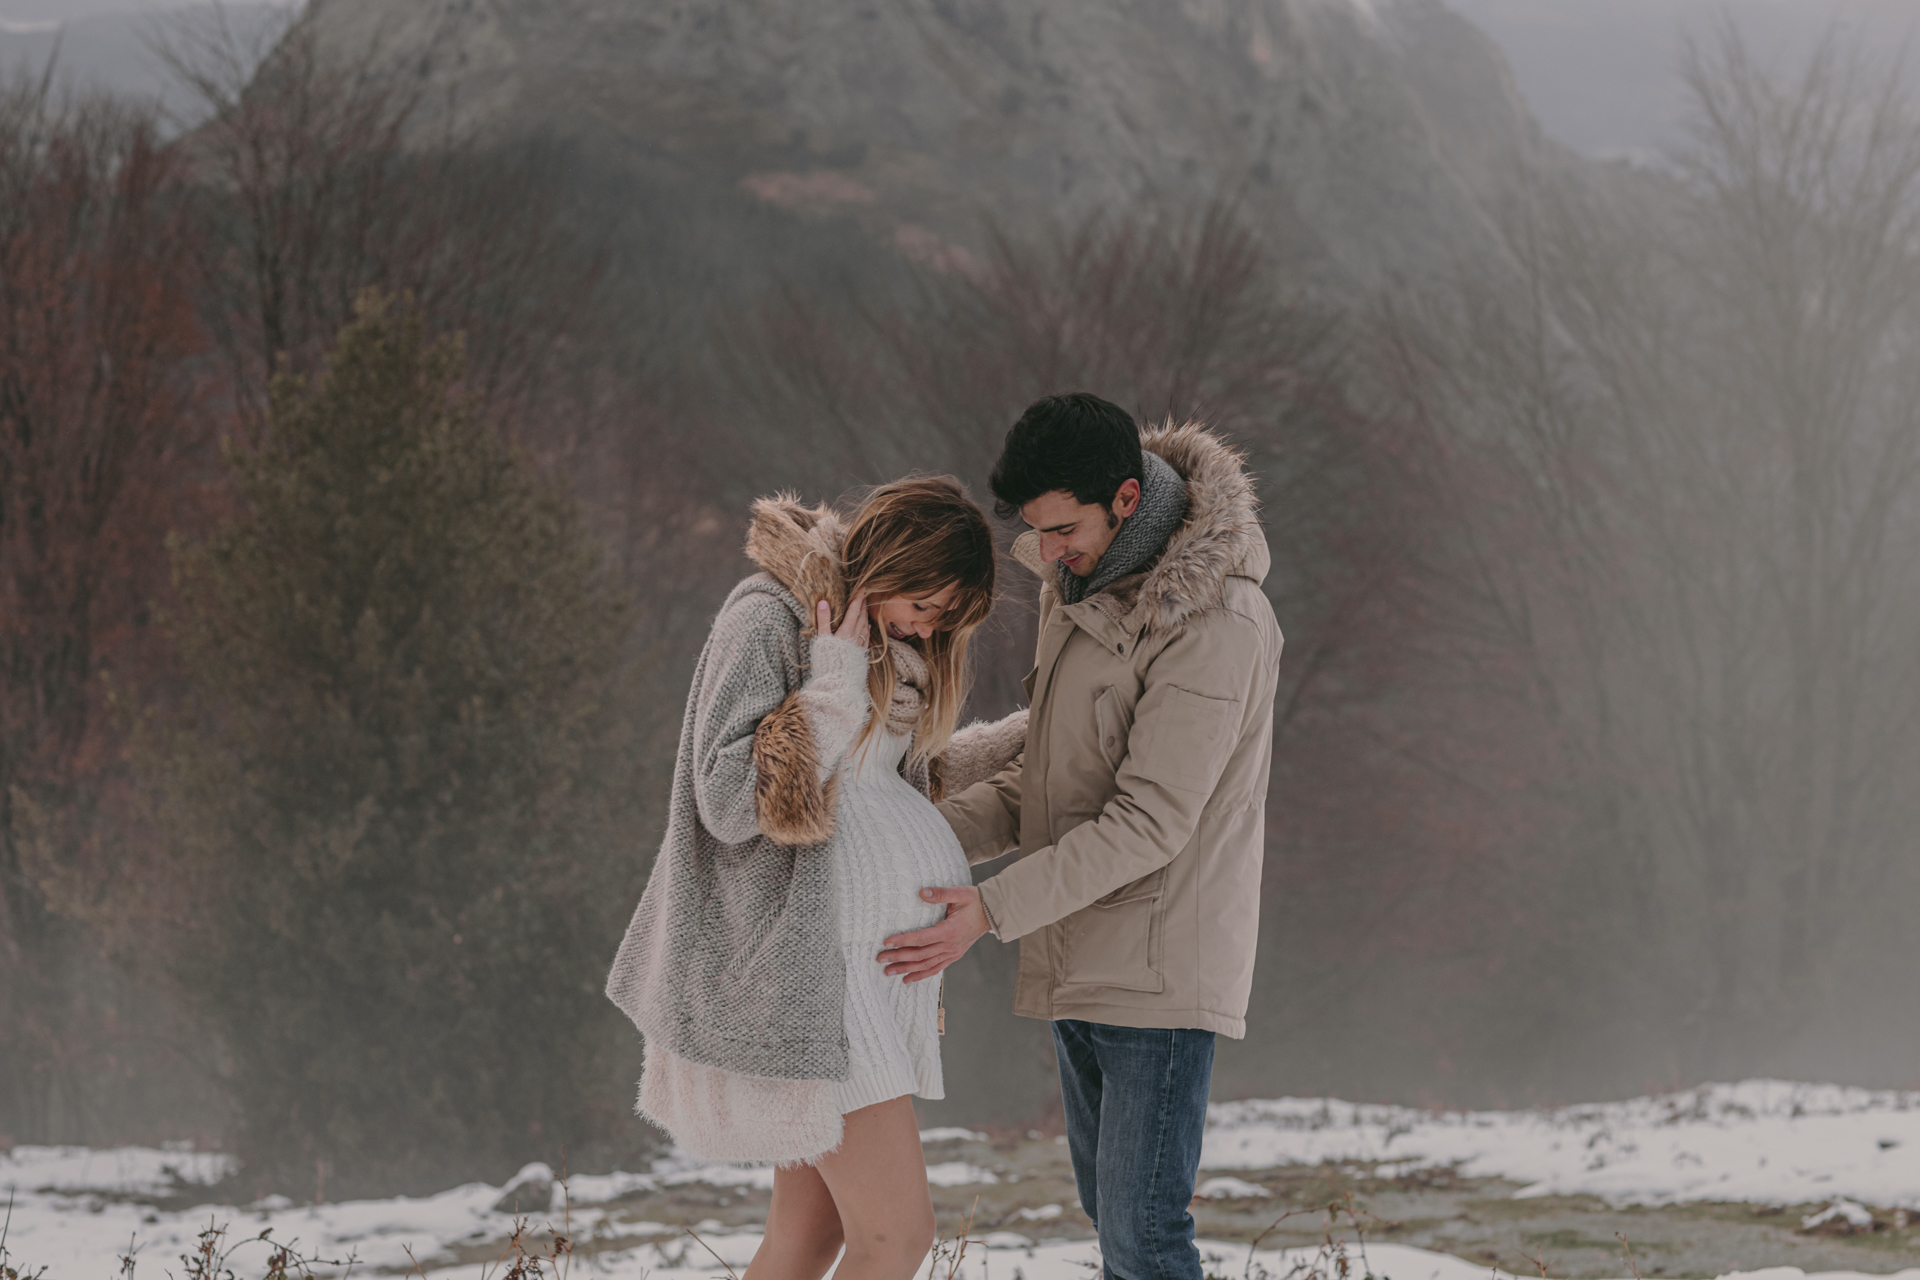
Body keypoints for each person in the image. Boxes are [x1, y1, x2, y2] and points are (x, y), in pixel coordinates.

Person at [877, 395, 1283, 1278]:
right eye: (1038, 532)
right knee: (1115, 1225)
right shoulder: (1085, 592)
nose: (1048, 554)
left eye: (1063, 529)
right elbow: (1047, 785)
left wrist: (987, 908)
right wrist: (910, 840)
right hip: (1081, 952)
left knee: (1143, 1233)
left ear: (1128, 499)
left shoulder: (1215, 624)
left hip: (1159, 967)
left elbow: (1149, 820)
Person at [605, 477, 1026, 1280]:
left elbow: (884, 785)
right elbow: (729, 798)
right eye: (930, 606)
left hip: (855, 978)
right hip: (816, 982)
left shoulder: (882, 648)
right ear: (899, 557)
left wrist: (1022, 740)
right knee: (897, 1237)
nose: (930, 630)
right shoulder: (769, 616)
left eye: (944, 621)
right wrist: (833, 676)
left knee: (811, 1238)